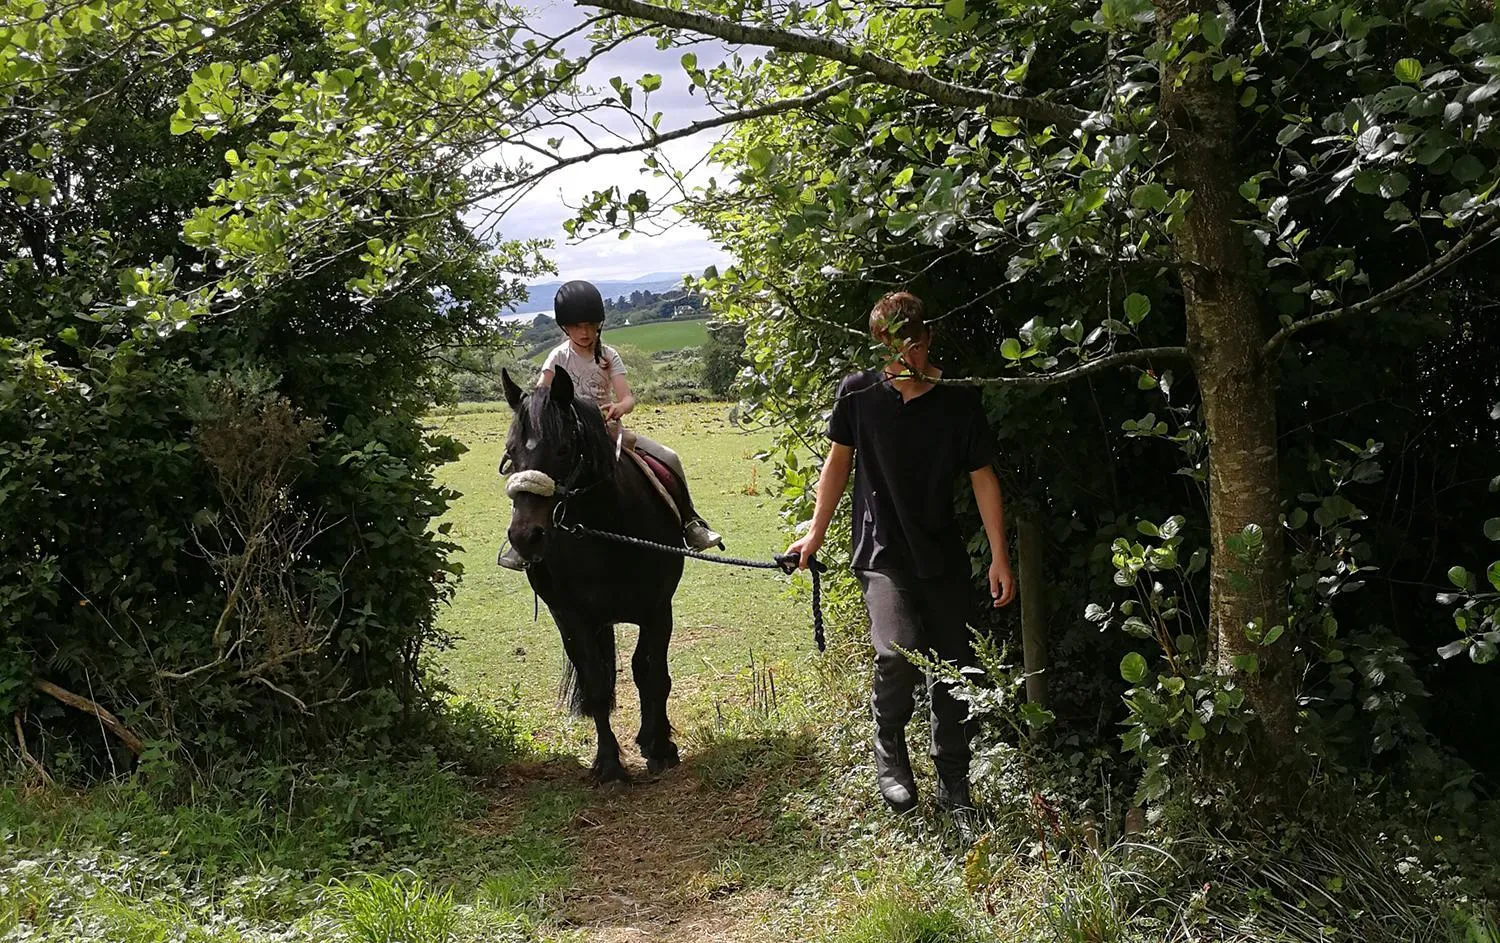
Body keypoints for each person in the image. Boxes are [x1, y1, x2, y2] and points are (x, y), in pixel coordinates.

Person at [786, 290, 1015, 813]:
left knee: (958, 671)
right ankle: (888, 745)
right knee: (898, 654)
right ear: (878, 346)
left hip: (942, 553)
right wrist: (815, 535)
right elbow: (837, 465)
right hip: (881, 551)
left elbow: (984, 479)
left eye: (914, 346)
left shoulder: (958, 400)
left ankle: (954, 782)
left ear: (928, 338)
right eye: (894, 348)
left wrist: (999, 556)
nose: (906, 359)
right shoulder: (858, 394)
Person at [498, 280, 723, 570]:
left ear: (599, 325)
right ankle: (520, 541)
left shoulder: (608, 356)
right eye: (577, 326)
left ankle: (691, 523)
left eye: (591, 325)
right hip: (566, 436)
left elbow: (627, 397)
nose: (585, 332)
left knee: (669, 457)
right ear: (565, 327)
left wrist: (618, 407)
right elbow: (542, 394)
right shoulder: (558, 357)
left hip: (607, 431)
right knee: (529, 474)